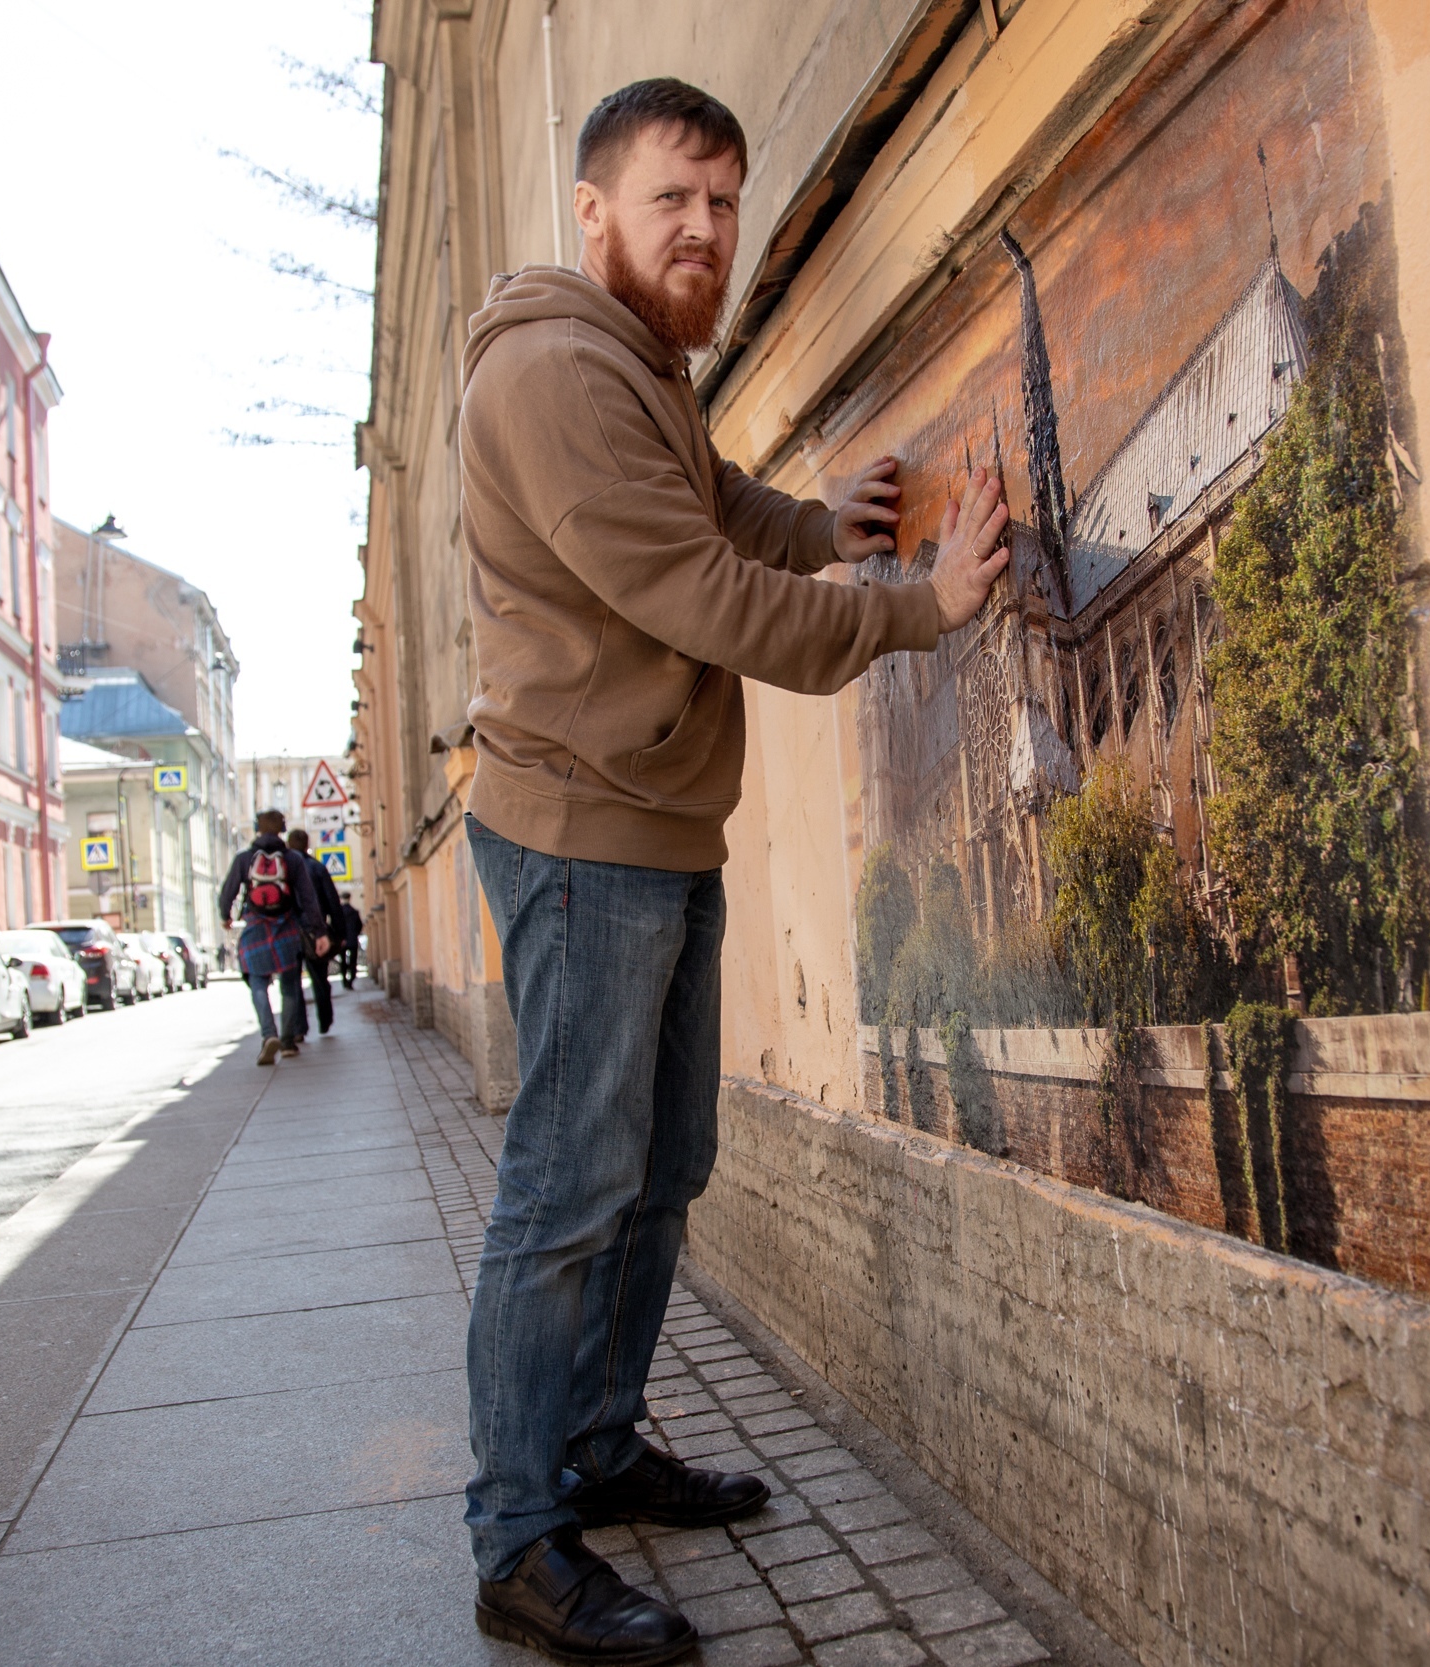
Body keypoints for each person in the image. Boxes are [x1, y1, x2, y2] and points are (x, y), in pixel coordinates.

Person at [452, 79, 1010, 1663]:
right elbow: (700, 588)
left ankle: (599, 1437)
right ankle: (517, 1532)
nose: (705, 230)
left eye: (723, 200)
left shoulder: (641, 366)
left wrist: (826, 528)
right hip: (579, 834)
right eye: (670, 200)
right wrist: (915, 609)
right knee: (565, 1190)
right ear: (592, 209)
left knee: (662, 1160)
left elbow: (715, 512)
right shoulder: (561, 373)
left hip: (652, 821)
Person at [218, 809, 327, 1066]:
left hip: (256, 926)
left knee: (257, 981)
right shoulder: (292, 859)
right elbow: (308, 898)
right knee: (290, 984)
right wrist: (319, 931)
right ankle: (288, 1042)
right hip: (286, 926)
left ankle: (269, 1034)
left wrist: (226, 916)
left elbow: (227, 892)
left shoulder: (245, 859)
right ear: (282, 829)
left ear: (257, 829)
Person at [285, 828, 344, 1038]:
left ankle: (299, 1028)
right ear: (307, 844)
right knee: (319, 978)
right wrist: (339, 932)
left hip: (289, 931)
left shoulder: (283, 870)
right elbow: (332, 901)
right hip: (315, 931)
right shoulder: (317, 867)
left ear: (289, 845)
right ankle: (325, 1021)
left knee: (292, 982)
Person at [336, 892, 364, 989]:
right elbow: (359, 926)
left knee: (343, 961)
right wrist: (355, 933)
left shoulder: (338, 913)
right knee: (353, 962)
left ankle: (344, 980)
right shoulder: (354, 912)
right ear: (350, 898)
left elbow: (334, 926)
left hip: (342, 940)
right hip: (352, 940)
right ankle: (351, 981)